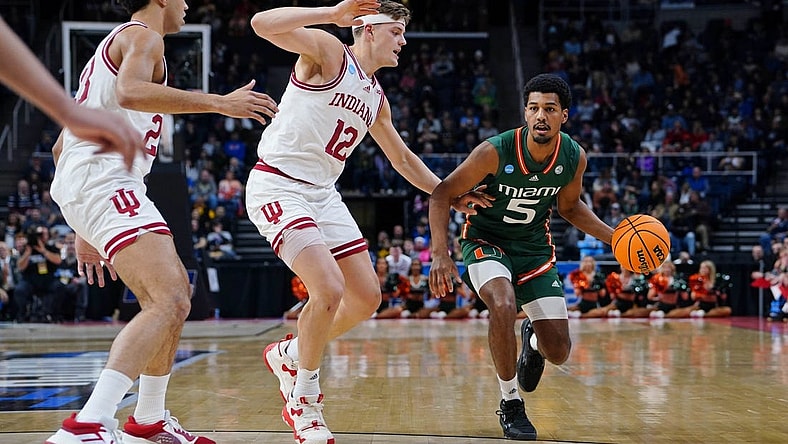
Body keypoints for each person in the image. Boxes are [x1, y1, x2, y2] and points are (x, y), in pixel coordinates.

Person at [246, 2, 489, 443]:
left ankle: (290, 352)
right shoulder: (329, 52)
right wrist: (332, 13)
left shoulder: (376, 98)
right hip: (279, 184)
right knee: (328, 289)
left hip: (322, 193)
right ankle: (304, 401)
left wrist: (449, 195)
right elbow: (261, 24)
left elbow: (401, 158)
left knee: (365, 296)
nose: (403, 41)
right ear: (369, 30)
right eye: (396, 31)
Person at [45, 0, 278, 443]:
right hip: (106, 178)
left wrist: (84, 228)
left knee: (174, 297)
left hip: (94, 183)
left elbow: (60, 147)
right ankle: (89, 424)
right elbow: (131, 92)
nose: (188, 4)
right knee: (169, 299)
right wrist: (218, 103)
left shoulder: (111, 52)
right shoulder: (143, 37)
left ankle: (149, 420)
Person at [428, 73, 615, 440]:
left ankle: (532, 341)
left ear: (565, 115)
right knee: (502, 302)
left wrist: (616, 238)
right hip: (486, 241)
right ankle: (511, 402)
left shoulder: (574, 157)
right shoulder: (494, 151)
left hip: (534, 251)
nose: (540, 116)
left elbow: (571, 207)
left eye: (549, 109)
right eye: (533, 108)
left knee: (558, 351)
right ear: (525, 113)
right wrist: (440, 254)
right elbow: (441, 193)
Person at [0, 16, 140, 170]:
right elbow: (127, 93)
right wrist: (68, 111)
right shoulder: (138, 38)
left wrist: (68, 111)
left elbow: (57, 149)